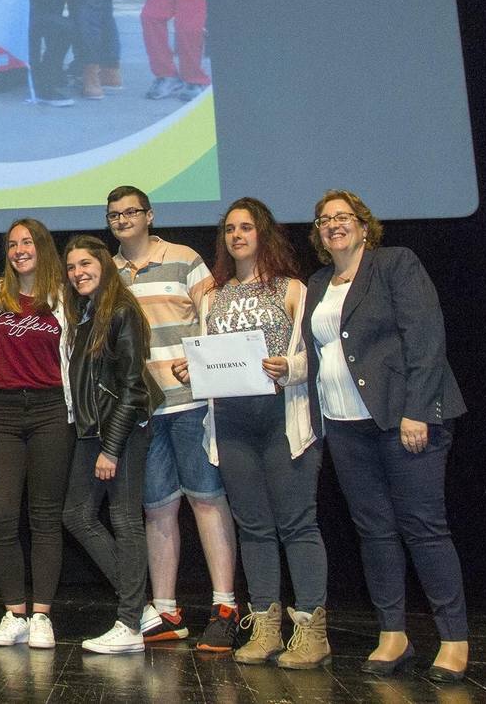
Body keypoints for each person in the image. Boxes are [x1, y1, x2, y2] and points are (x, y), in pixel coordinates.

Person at [302, 190, 468, 681]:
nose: (334, 224)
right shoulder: (318, 282)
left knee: (424, 528)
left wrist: (417, 411)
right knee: (374, 532)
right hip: (344, 427)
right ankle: (393, 635)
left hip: (403, 421)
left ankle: (454, 639)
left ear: (363, 225)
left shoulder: (395, 263)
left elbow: (426, 338)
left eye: (343, 217)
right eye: (325, 219)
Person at [167, 199, 325, 664]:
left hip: (281, 418)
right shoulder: (211, 296)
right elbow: (210, 357)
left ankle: (313, 632)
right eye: (230, 229)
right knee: (254, 527)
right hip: (232, 423)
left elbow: (315, 355)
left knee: (296, 524)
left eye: (246, 227)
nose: (237, 235)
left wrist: (289, 368)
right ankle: (265, 628)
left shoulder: (292, 288)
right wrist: (192, 370)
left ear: (264, 234)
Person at [107, 185, 238, 648]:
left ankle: (225, 606)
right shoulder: (108, 272)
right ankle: (166, 612)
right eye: (115, 215)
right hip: (143, 410)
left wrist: (197, 357)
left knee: (207, 499)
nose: (123, 220)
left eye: (131, 212)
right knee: (157, 508)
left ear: (150, 216)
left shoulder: (184, 258)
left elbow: (216, 315)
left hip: (190, 402)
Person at [60, 234, 156, 654]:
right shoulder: (86, 313)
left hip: (122, 430)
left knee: (125, 518)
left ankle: (130, 623)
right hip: (92, 430)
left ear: (104, 264)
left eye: (85, 264)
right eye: (71, 267)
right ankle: (140, 607)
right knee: (77, 515)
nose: (77, 272)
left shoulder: (120, 311)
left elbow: (133, 389)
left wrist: (112, 448)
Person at [0, 219, 73, 648]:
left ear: (44, 247)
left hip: (51, 410)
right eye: (13, 243)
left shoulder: (65, 297)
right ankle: (14, 613)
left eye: (28, 242)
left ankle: (41, 616)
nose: (19, 249)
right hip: (2, 411)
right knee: (0, 514)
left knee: (44, 517)